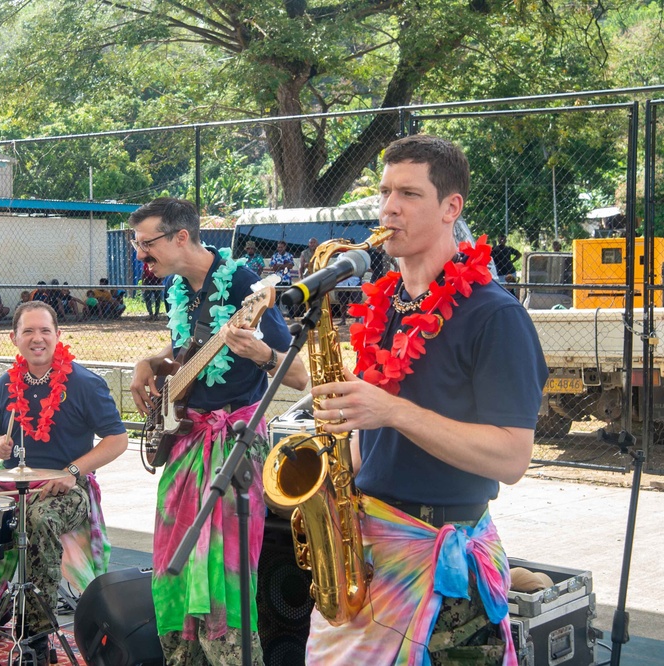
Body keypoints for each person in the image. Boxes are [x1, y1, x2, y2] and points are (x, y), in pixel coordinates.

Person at [305, 135, 547, 665]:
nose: (389, 207)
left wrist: (391, 411)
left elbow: (511, 458)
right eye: (385, 191)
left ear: (450, 208)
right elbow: (375, 433)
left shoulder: (495, 316)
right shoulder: (383, 305)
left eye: (409, 194)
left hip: (444, 568)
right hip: (366, 549)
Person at [128, 197, 309, 665]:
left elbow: (300, 373)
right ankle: (183, 657)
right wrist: (148, 363)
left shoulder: (247, 285)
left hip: (234, 445)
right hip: (186, 442)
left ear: (180, 237)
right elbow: (187, 349)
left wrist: (260, 355)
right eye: (135, 243)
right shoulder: (183, 289)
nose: (139, 254)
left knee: (222, 571)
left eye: (146, 244)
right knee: (174, 560)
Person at [0, 301, 129, 665]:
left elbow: (117, 440)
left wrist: (72, 472)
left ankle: (35, 634)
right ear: (14, 338)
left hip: (70, 489)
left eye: (45, 330)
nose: (37, 338)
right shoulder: (5, 385)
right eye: (28, 331)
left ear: (58, 336)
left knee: (38, 519)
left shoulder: (86, 383)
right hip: (13, 484)